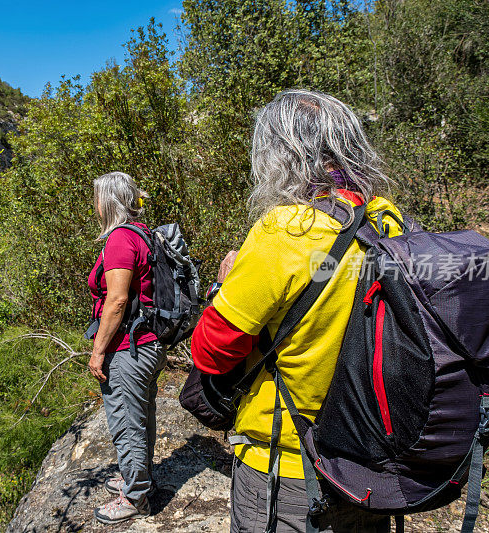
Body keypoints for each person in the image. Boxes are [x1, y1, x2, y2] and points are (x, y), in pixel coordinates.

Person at [191, 89, 401, 532]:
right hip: (373, 459)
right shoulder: (386, 219)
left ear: (279, 156)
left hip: (287, 461)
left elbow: (211, 352)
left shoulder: (285, 230)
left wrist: (227, 287)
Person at [87, 171, 166, 525]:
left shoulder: (119, 239)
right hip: (150, 343)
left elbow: (117, 301)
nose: (94, 205)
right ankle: (139, 479)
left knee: (126, 422)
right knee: (142, 417)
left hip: (128, 349)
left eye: (96, 198)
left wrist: (98, 351)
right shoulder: (143, 234)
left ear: (106, 201)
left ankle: (135, 497)